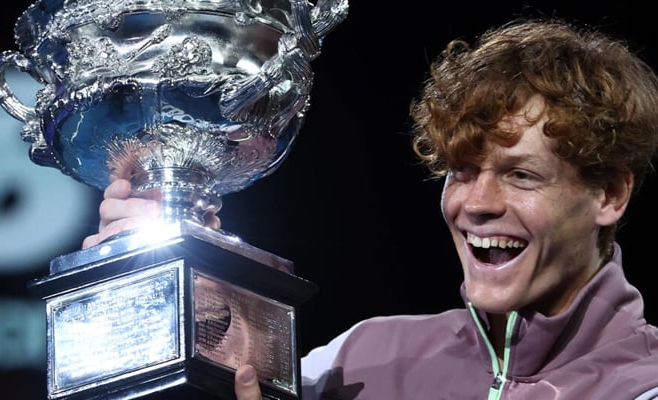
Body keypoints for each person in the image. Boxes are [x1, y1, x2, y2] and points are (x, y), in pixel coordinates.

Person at [83, 18, 658, 399]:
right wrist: (183, 299)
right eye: (460, 170)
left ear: (609, 195)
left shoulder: (642, 386)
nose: (477, 204)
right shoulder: (357, 362)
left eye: (521, 175)